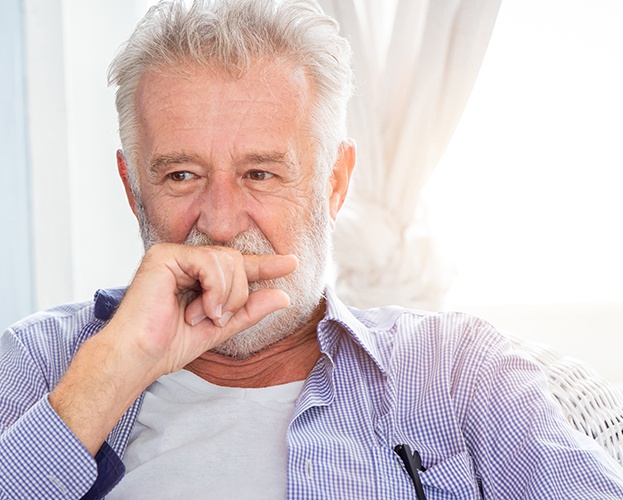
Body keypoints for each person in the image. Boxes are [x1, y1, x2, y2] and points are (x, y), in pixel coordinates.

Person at [1, 0, 622, 498]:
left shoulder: (459, 371)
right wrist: (108, 375)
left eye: (261, 175)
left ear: (335, 182)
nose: (218, 224)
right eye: (181, 175)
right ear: (132, 188)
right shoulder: (36, 364)